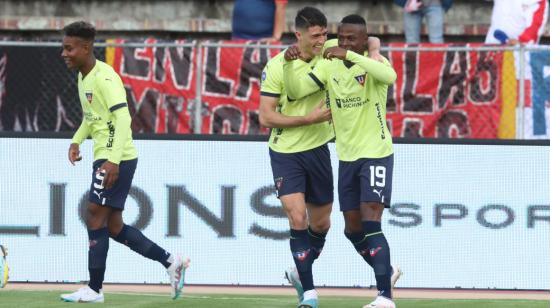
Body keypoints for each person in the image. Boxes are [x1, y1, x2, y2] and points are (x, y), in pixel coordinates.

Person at [59, 21, 189, 303]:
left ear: (86, 47)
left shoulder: (105, 78)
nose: (64, 53)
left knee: (94, 214)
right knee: (114, 226)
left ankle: (94, 289)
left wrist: (114, 161)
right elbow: (91, 117)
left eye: (69, 48)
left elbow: (123, 118)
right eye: (63, 48)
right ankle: (170, 261)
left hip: (115, 157)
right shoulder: (84, 77)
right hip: (106, 155)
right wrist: (76, 141)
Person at [283, 15, 401, 308]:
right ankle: (387, 271)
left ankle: (385, 297)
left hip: (376, 153)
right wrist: (289, 62)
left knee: (371, 222)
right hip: (346, 157)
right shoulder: (329, 61)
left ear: (364, 42)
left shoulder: (373, 64)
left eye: (353, 39)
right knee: (352, 229)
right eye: (342, 38)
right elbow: (298, 91)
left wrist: (356, 53)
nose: (345, 42)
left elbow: (391, 77)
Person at [259, 7, 334, 308]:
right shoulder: (277, 66)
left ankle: (298, 271)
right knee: (297, 217)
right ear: (298, 36)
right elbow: (266, 117)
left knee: (322, 224)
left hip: (318, 148)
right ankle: (310, 294)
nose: (321, 40)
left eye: (324, 34)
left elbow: (369, 39)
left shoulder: (330, 52)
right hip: (286, 152)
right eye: (315, 36)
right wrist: (308, 119)